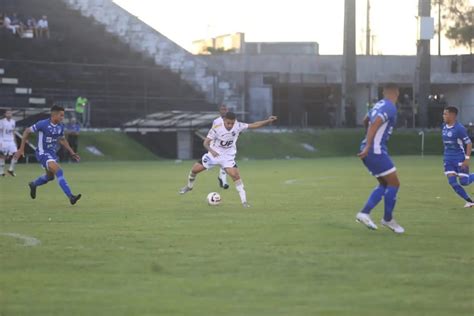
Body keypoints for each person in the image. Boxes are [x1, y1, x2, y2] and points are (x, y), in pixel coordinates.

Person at [179, 112, 277, 207]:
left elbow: (254, 125)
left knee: (236, 176)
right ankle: (189, 187)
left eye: (232, 123)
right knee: (194, 170)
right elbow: (205, 143)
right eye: (228, 123)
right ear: (224, 120)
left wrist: (268, 121)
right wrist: (211, 151)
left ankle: (244, 202)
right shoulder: (217, 127)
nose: (230, 125)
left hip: (227, 157)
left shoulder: (238, 126)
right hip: (214, 154)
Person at [356, 83, 404, 234]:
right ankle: (388, 219)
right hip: (375, 150)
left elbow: (366, 120)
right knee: (394, 183)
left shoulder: (379, 104)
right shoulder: (390, 106)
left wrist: (367, 141)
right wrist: (369, 144)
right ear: (397, 92)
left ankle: (364, 213)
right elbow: (375, 123)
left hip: (372, 149)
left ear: (384, 92)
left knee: (385, 184)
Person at [14, 105, 82, 205]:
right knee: (59, 171)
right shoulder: (43, 124)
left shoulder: (60, 126)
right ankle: (71, 196)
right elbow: (27, 131)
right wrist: (21, 148)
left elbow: (62, 140)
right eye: (61, 115)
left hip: (52, 154)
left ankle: (33, 184)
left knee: (50, 177)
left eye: (63, 116)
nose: (62, 118)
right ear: (54, 115)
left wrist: (72, 152)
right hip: (42, 153)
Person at [441, 106, 474, 208]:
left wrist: (467, 159)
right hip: (448, 159)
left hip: (459, 159)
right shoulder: (444, 126)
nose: (443, 116)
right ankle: (470, 201)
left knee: (464, 182)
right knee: (452, 182)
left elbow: (469, 143)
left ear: (452, 115)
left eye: (445, 114)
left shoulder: (459, 128)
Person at [213, 104, 230, 189]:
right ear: (219, 111)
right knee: (223, 163)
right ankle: (223, 180)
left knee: (225, 163)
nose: (224, 111)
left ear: (228, 110)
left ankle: (223, 181)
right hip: (218, 145)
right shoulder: (216, 121)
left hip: (228, 146)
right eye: (222, 109)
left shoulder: (232, 120)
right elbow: (213, 133)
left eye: (225, 109)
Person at [0, 110, 19, 176]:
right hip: (4, 141)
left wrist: (15, 142)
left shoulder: (13, 122)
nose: (9, 114)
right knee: (2, 156)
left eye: (10, 113)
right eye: (8, 113)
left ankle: (10, 169)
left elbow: (13, 132)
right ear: (5, 114)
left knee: (16, 154)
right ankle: (1, 172)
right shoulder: (2, 122)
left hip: (11, 141)